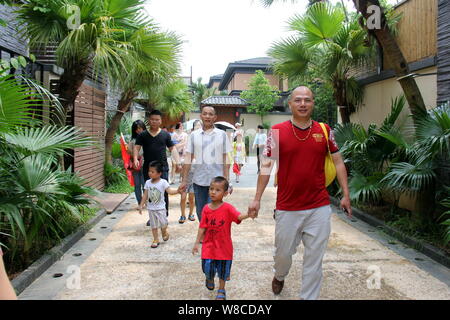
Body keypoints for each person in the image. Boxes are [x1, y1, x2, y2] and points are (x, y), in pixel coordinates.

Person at [247, 86, 352, 300]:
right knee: (282, 255)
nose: (303, 104)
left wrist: (345, 194)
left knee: (314, 260)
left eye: (307, 100)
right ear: (290, 104)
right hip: (288, 207)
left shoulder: (324, 130)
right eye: (298, 100)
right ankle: (280, 274)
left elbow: (338, 162)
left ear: (313, 103)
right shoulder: (277, 132)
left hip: (319, 206)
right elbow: (266, 166)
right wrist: (256, 199)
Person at [192, 176, 253, 300]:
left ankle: (221, 289)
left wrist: (248, 214)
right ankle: (209, 278)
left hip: (224, 248)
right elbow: (202, 227)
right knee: (207, 268)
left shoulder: (228, 208)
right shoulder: (206, 209)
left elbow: (238, 217)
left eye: (217, 190)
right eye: (211, 189)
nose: (213, 192)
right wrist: (197, 243)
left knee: (223, 271)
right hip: (209, 246)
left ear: (225, 193)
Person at [179, 106, 232, 222]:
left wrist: (227, 181)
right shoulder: (194, 135)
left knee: (213, 211)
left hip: (217, 181)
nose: (207, 116)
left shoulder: (222, 135)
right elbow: (188, 158)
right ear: (201, 116)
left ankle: (210, 237)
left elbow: (225, 159)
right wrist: (184, 180)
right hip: (199, 180)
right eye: (205, 114)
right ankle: (204, 234)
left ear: (215, 117)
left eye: (210, 114)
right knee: (200, 211)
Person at [134, 110, 180, 224]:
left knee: (163, 191)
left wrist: (178, 162)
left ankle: (164, 215)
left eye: (157, 119)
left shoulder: (165, 135)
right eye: (152, 119)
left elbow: (172, 149)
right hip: (148, 169)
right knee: (150, 191)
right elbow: (136, 147)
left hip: (162, 168)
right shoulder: (143, 135)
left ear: (160, 121)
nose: (154, 121)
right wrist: (135, 158)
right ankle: (152, 216)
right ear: (149, 120)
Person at [139, 161, 180, 248]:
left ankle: (164, 232)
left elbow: (169, 191)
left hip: (161, 208)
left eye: (152, 172)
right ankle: (155, 239)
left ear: (159, 173)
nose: (150, 173)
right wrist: (141, 204)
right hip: (151, 208)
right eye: (149, 171)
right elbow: (145, 195)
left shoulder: (163, 182)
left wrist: (177, 191)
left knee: (164, 223)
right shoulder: (147, 183)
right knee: (153, 226)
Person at [179, 120, 202, 224]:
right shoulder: (189, 139)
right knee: (183, 197)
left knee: (191, 198)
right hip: (185, 176)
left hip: (194, 178)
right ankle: (182, 214)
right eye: (196, 126)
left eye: (199, 126)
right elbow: (184, 156)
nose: (198, 128)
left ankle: (191, 213)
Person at [127, 120, 146, 207]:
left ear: (143, 128)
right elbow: (129, 152)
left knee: (144, 185)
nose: (138, 130)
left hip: (145, 165)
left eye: (140, 128)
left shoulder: (147, 138)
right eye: (136, 129)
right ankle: (140, 202)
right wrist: (134, 155)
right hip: (135, 166)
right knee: (137, 185)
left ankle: (146, 201)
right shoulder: (132, 141)